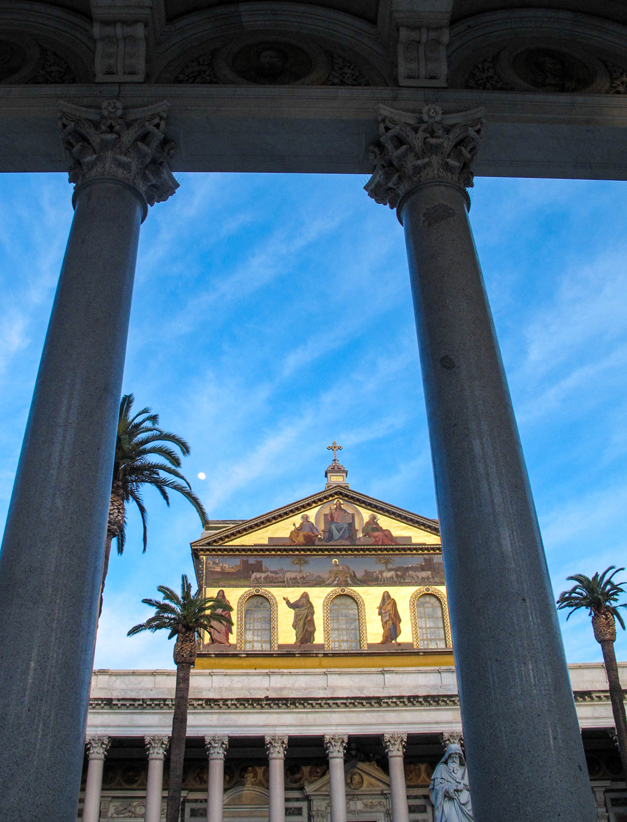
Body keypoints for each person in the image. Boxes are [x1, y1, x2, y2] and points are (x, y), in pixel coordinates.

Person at [429, 744, 473, 822]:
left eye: (456, 757)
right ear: (447, 757)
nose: (454, 759)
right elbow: (437, 788)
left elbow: (472, 787)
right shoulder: (441, 769)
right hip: (449, 803)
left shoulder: (465, 770)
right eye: (452, 756)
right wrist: (453, 787)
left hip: (465, 803)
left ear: (460, 758)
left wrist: (463, 786)